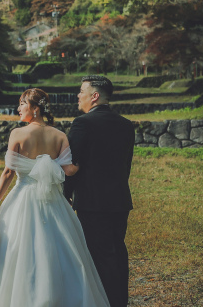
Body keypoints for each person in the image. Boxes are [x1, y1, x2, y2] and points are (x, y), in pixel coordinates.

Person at [0, 88, 110, 307]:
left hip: (21, 197)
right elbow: (69, 170)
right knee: (59, 249)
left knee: (14, 249)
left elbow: (8, 173)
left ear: (35, 108)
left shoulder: (18, 134)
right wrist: (84, 162)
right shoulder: (59, 135)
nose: (18, 108)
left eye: (22, 104)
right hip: (53, 201)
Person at [64, 75, 135, 307]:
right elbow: (126, 166)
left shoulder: (83, 123)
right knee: (117, 253)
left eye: (82, 91)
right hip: (119, 200)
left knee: (97, 257)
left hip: (92, 203)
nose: (78, 96)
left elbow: (72, 165)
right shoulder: (126, 124)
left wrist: (64, 195)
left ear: (94, 96)